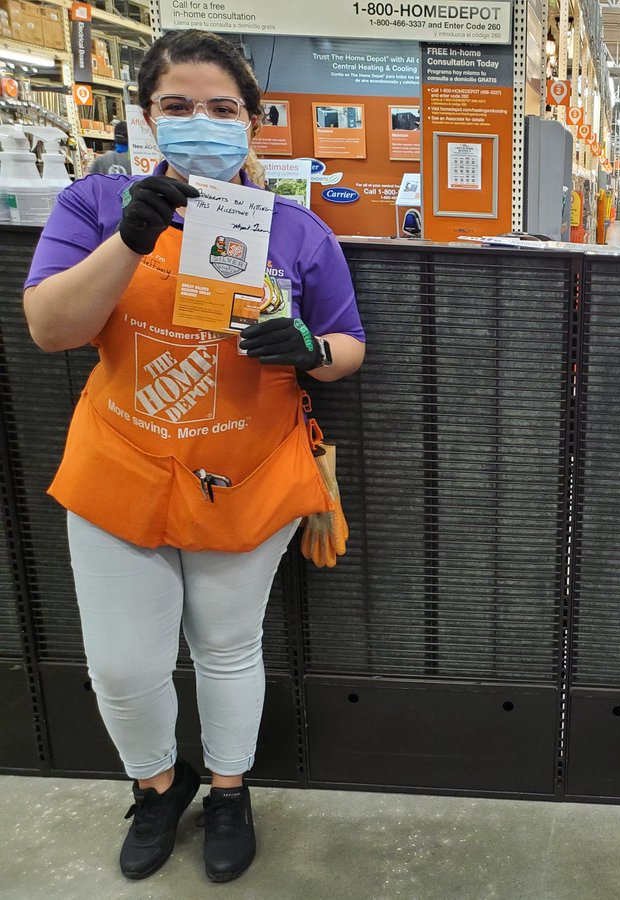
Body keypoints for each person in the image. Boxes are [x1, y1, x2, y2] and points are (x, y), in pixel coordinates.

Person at [23, 30, 365, 884]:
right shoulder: (94, 206)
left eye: (222, 109)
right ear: (147, 117)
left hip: (245, 473)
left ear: (254, 122)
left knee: (228, 648)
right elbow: (51, 328)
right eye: (178, 107)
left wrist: (310, 350)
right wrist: (132, 236)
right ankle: (155, 787)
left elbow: (351, 341)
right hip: (121, 470)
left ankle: (229, 789)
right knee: (124, 664)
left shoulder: (297, 229)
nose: (200, 124)